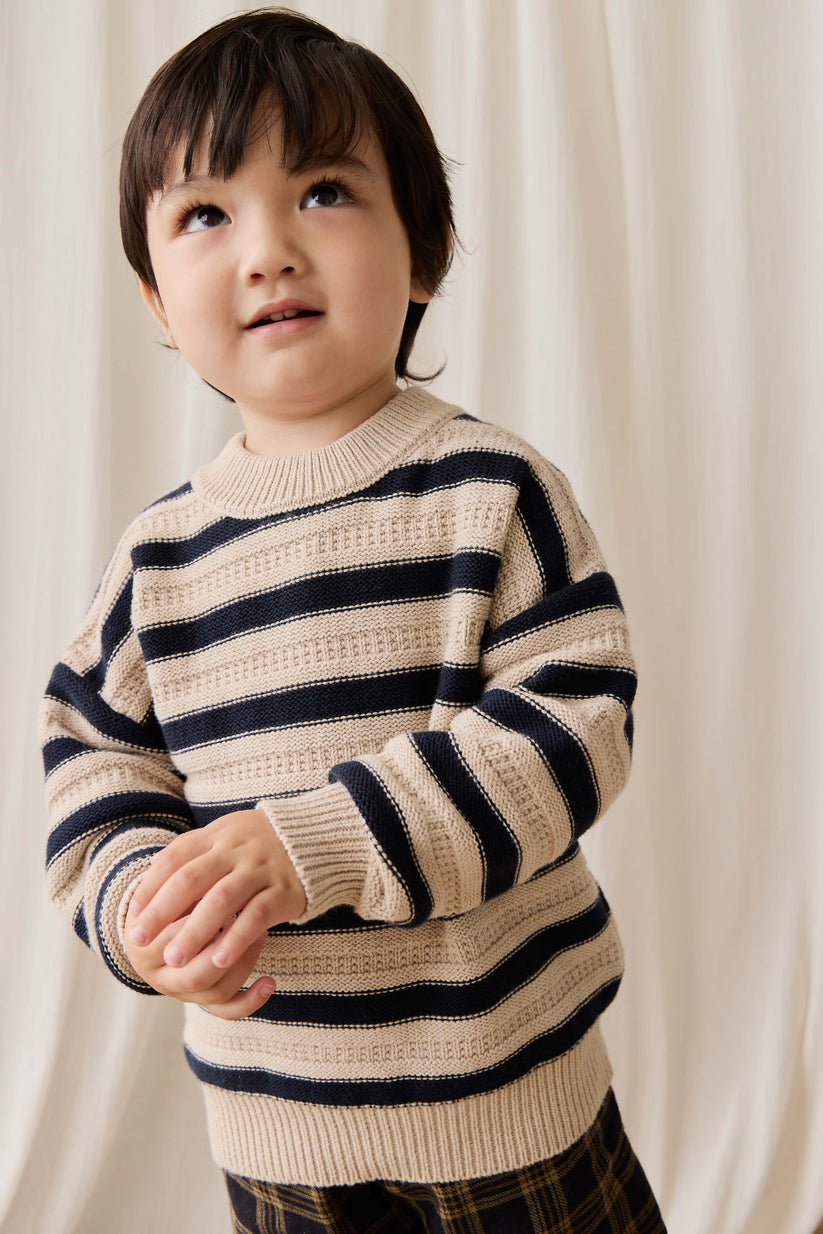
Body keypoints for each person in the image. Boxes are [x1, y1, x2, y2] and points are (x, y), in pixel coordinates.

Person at [40, 9, 666, 1232]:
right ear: (158, 299)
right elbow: (90, 764)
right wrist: (141, 912)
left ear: (423, 251)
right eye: (205, 215)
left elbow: (572, 725)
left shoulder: (488, 492)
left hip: (506, 1101)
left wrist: (307, 845)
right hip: (276, 1129)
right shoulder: (159, 560)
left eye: (323, 190)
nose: (266, 250)